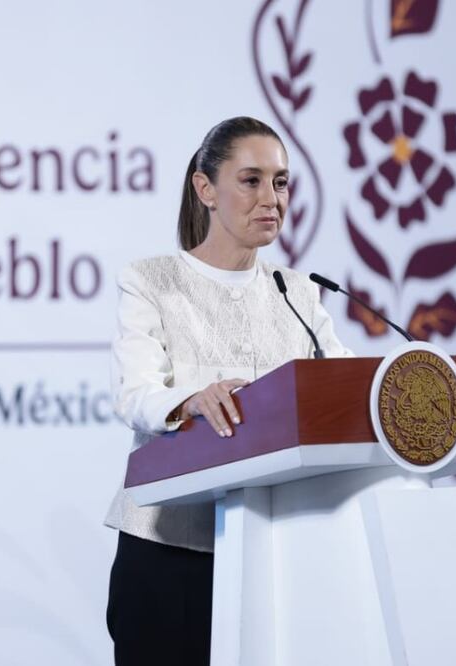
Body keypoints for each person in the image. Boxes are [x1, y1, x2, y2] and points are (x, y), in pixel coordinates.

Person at [103, 116, 351, 665]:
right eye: (251, 180)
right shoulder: (150, 281)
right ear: (206, 188)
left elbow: (345, 389)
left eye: (280, 182)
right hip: (169, 554)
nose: (271, 199)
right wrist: (189, 400)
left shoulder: (300, 294)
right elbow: (135, 393)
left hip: (278, 553)